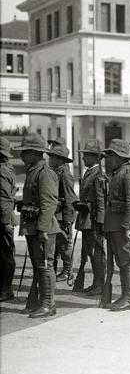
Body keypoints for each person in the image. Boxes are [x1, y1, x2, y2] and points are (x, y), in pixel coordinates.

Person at [14, 133, 61, 318]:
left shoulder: (45, 173)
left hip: (44, 228)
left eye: (25, 152)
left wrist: (42, 229)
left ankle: (49, 304)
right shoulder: (33, 170)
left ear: (35, 152)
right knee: (38, 266)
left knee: (45, 266)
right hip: (34, 227)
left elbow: (49, 203)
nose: (21, 155)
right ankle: (38, 302)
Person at [102, 139, 130, 311]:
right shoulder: (119, 173)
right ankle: (125, 296)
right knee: (121, 262)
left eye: (111, 155)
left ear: (121, 157)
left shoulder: (129, 175)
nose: (108, 159)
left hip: (126, 227)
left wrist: (127, 227)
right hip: (116, 225)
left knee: (128, 262)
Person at [73, 139, 107, 296]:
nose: (83, 158)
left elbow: (101, 201)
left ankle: (100, 284)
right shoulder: (89, 172)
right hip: (86, 218)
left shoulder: (98, 175)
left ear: (95, 157)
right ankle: (96, 282)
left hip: (93, 219)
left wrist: (100, 222)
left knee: (97, 252)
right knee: (90, 251)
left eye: (86, 155)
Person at [47, 142, 78, 282]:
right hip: (55, 214)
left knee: (64, 244)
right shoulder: (56, 172)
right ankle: (57, 270)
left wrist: (67, 220)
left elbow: (70, 198)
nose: (50, 159)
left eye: (53, 157)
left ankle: (67, 271)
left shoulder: (65, 174)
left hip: (61, 215)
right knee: (56, 245)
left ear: (60, 159)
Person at [0, 137, 17, 302]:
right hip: (3, 217)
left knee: (5, 255)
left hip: (3, 218)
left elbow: (5, 198)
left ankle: (6, 290)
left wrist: (5, 222)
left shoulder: (3, 171)